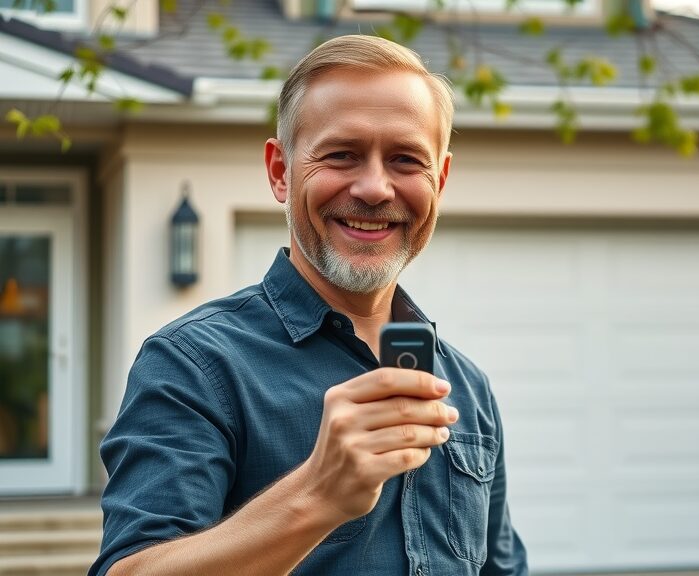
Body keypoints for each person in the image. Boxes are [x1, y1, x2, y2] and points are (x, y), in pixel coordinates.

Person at [90, 35, 528, 576]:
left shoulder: (467, 386)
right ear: (280, 171)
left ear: (439, 180)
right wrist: (317, 495)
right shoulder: (194, 365)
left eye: (405, 160)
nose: (374, 188)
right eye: (341, 154)